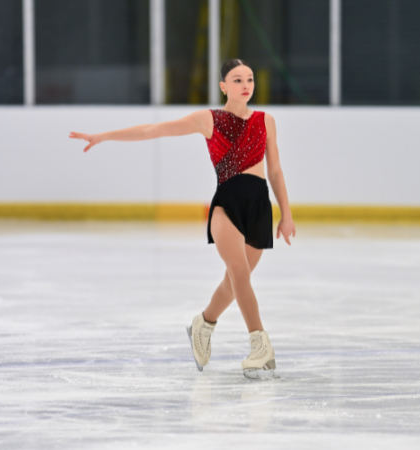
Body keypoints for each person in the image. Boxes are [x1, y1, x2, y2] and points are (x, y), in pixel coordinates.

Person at [69, 58, 296, 379]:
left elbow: (275, 171)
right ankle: (260, 343)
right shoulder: (209, 119)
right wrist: (104, 136)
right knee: (238, 271)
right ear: (223, 86)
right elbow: (153, 130)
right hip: (227, 206)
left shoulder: (266, 121)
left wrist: (286, 214)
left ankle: (203, 323)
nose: (245, 85)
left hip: (259, 206)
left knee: (233, 284)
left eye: (249, 79)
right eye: (237, 80)